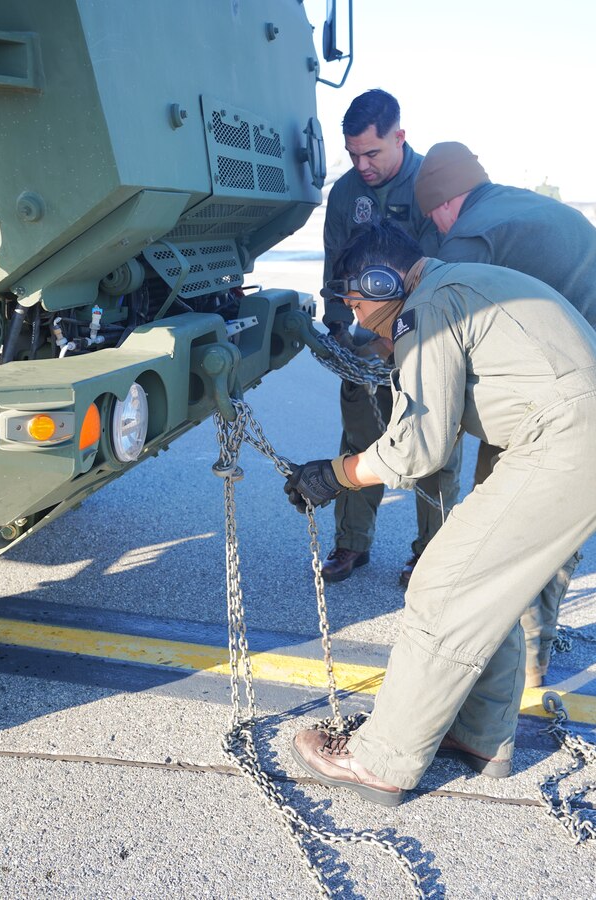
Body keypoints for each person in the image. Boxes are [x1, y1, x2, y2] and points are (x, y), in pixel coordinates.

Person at [284, 220, 596, 806]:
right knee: (490, 587)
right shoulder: (456, 286)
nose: (355, 319)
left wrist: (336, 473)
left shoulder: (425, 308)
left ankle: (380, 761)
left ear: (382, 282)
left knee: (445, 585)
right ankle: (477, 733)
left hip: (562, 442)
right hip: (567, 437)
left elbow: (418, 448)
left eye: (356, 302)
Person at [409, 141, 596, 686]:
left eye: (432, 217)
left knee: (509, 518)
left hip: (563, 392)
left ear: (443, 203)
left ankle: (520, 656)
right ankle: (533, 641)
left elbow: (448, 324)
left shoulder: (470, 235)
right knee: (563, 518)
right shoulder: (525, 207)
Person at [320, 89, 456, 584]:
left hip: (428, 334)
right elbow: (336, 263)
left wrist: (397, 340)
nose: (363, 164)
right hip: (365, 332)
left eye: (372, 153)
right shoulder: (345, 193)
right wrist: (336, 330)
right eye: (354, 154)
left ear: (400, 136)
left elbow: (443, 271)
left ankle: (430, 555)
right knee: (360, 436)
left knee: (433, 446)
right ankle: (351, 544)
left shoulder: (429, 186)